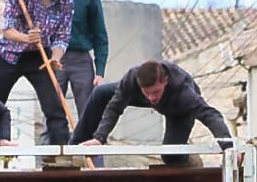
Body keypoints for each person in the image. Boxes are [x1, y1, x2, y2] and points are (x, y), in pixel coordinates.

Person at [70, 60, 233, 164]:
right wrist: (99, 138)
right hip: (138, 94)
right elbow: (114, 108)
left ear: (165, 82)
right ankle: (73, 148)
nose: (151, 98)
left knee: (170, 156)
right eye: (147, 92)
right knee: (100, 93)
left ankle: (189, 159)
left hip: (177, 109)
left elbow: (211, 115)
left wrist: (228, 147)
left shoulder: (184, 93)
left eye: (155, 92)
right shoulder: (131, 79)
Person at [0, 0, 75, 145]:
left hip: (40, 59)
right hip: (8, 55)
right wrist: (27, 38)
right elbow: (7, 29)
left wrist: (55, 57)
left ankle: (61, 155)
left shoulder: (66, 2)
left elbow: (62, 36)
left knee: (55, 109)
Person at [58, 0, 108, 119]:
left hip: (81, 59)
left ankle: (86, 136)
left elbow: (100, 36)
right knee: (52, 107)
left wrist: (100, 72)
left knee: (88, 111)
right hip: (56, 58)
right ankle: (51, 136)